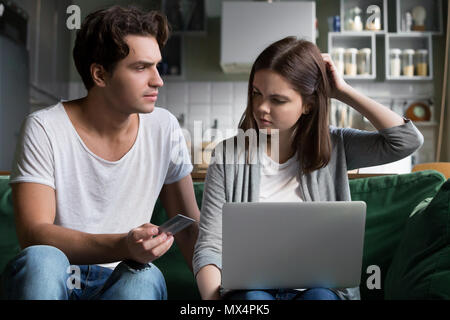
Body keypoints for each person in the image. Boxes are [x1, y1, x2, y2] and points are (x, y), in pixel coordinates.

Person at [193, 37, 423, 300]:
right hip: (250, 292)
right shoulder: (228, 155)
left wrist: (343, 91)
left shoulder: (337, 146)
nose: (261, 108)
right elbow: (209, 246)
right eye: (257, 93)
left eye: (278, 100)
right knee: (253, 299)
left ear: (308, 105)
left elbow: (406, 141)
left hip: (319, 291)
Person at [1, 6, 200, 300]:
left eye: (157, 66)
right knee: (41, 260)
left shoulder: (164, 127)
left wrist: (222, 295)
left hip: (125, 278)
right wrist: (125, 244)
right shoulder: (44, 127)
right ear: (100, 74)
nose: (158, 79)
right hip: (59, 276)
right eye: (141, 67)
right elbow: (34, 234)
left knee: (144, 278)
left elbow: (187, 228)